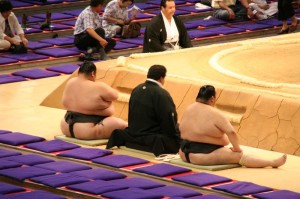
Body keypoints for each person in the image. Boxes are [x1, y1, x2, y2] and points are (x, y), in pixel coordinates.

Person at [179, 85, 287, 168]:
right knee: (239, 156)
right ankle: (272, 163)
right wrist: (237, 149)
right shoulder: (215, 113)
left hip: (183, 153)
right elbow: (231, 133)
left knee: (225, 147)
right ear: (212, 98)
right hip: (201, 157)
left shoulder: (188, 108)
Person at [106, 65, 180, 156]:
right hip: (152, 135)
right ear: (161, 78)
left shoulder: (137, 89)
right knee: (178, 130)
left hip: (134, 133)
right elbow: (168, 118)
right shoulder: (162, 94)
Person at [60, 61, 128, 140]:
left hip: (66, 126)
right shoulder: (98, 86)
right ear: (93, 74)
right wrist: (106, 105)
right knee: (125, 125)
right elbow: (115, 96)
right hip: (87, 130)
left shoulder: (70, 82)